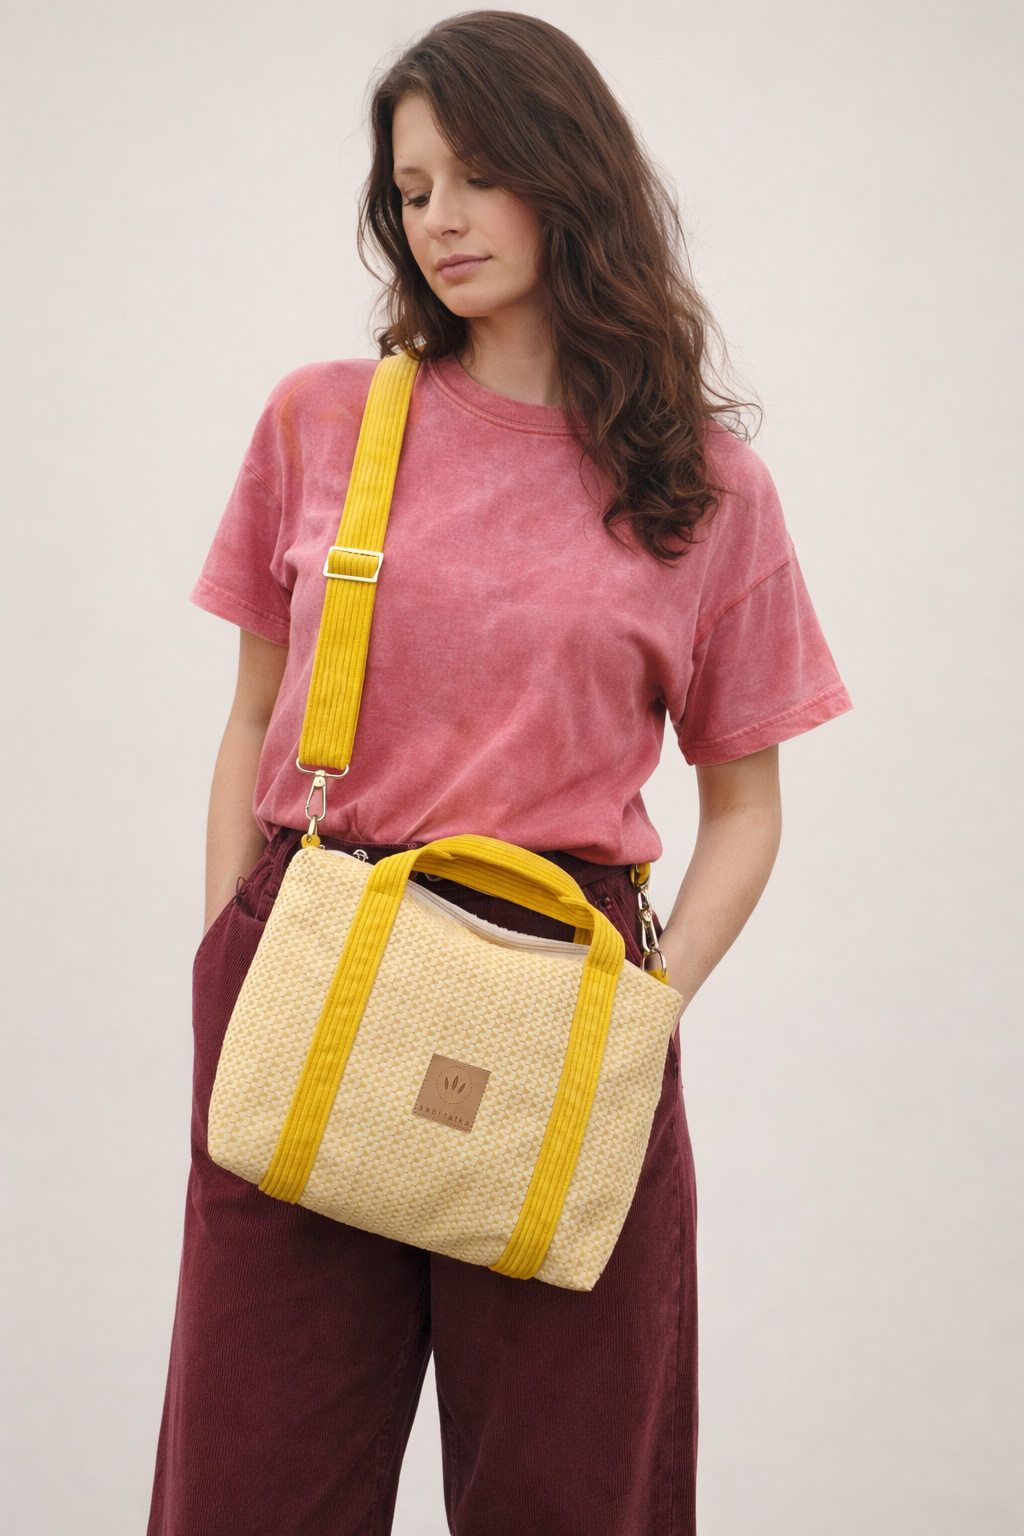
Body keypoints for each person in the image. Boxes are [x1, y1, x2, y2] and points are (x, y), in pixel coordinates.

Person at [147, 13, 851, 1535]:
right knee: (249, 1489)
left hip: (565, 987)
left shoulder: (706, 487)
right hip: (315, 954)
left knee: (570, 1492)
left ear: (567, 176)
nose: (440, 221)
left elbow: (748, 808)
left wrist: (641, 1015)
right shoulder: (322, 420)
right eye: (412, 191)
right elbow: (252, 721)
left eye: (476, 177)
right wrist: (227, 960)